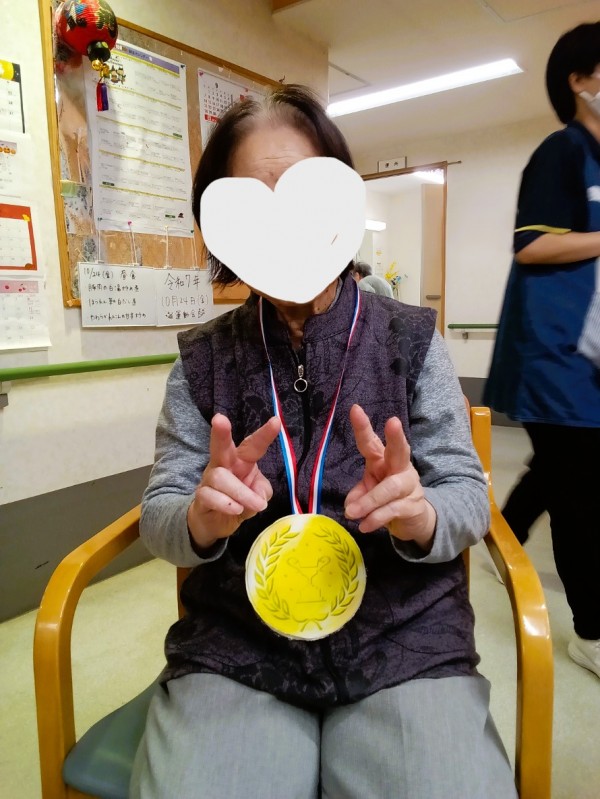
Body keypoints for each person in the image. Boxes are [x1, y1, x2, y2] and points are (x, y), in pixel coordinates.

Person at [130, 85, 517, 799]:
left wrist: (422, 514)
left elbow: (467, 493)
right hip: (239, 646)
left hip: (404, 640)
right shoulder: (202, 360)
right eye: (256, 209)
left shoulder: (410, 340)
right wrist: (199, 518)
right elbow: (159, 513)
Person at [484, 23, 600, 678]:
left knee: (562, 469)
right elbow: (531, 245)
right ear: (580, 81)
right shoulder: (562, 153)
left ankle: (498, 535)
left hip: (590, 356)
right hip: (554, 355)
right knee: (581, 490)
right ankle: (592, 630)